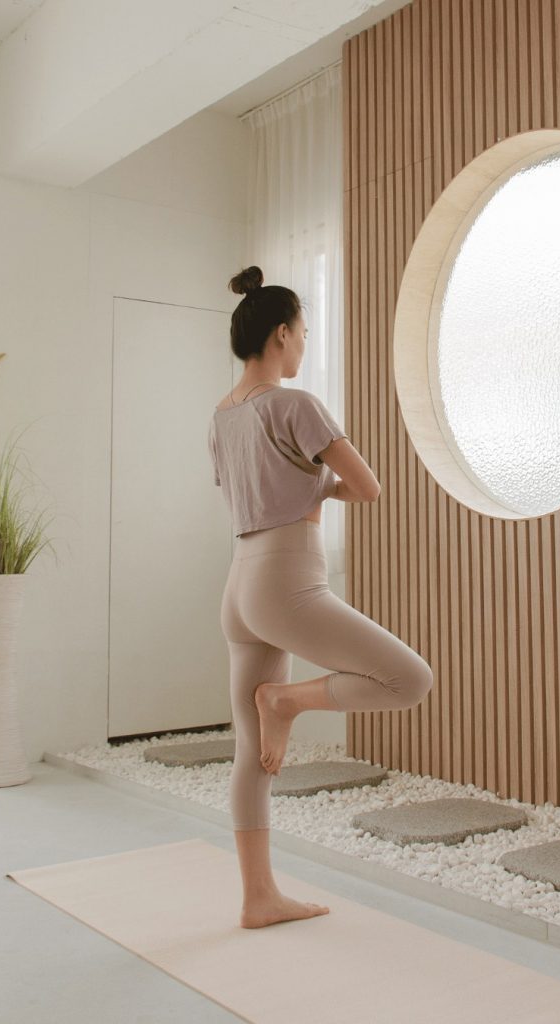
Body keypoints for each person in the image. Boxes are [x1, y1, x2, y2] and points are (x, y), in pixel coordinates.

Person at [210, 265, 434, 929]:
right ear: (281, 334)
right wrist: (323, 489)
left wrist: (306, 487)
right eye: (302, 334)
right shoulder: (294, 403)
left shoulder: (223, 416)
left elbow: (248, 492)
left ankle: (258, 898)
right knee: (408, 679)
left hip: (240, 582)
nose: (303, 347)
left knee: (251, 754)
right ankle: (286, 700)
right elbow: (366, 486)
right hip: (287, 578)